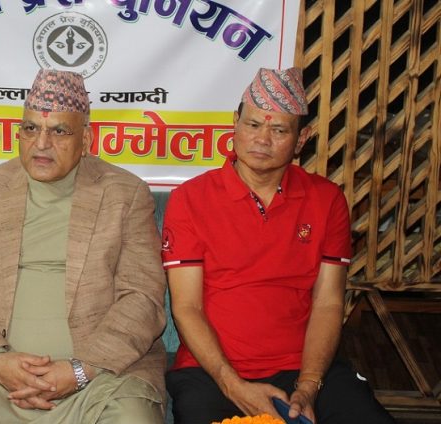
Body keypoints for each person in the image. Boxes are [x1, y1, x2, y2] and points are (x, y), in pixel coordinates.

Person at [0, 69, 167, 424]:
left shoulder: (124, 194)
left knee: (132, 419)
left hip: (99, 379)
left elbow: (142, 297)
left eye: (59, 131)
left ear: (86, 139)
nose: (41, 143)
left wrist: (80, 370)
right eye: (31, 129)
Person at [162, 67, 395, 424]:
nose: (262, 139)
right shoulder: (191, 199)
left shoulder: (326, 200)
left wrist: (309, 385)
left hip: (306, 368)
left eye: (279, 130)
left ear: (302, 139)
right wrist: (233, 385)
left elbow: (329, 302)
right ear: (235, 124)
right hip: (212, 371)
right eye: (253, 125)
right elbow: (187, 307)